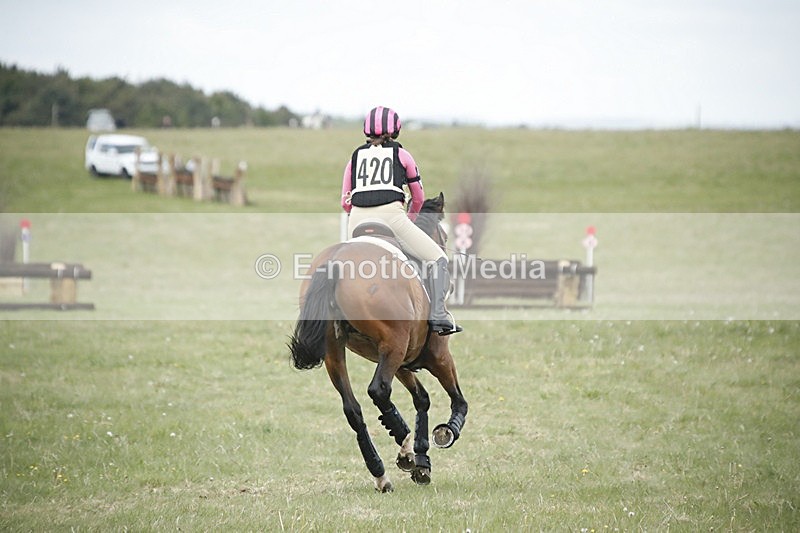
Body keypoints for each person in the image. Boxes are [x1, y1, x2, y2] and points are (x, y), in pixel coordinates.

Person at [340, 106, 460, 335]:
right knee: (439, 258)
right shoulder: (402, 155)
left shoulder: (355, 158)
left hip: (356, 221)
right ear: (395, 130)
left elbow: (345, 202)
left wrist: (357, 213)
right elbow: (419, 197)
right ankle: (438, 315)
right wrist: (410, 219)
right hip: (392, 218)